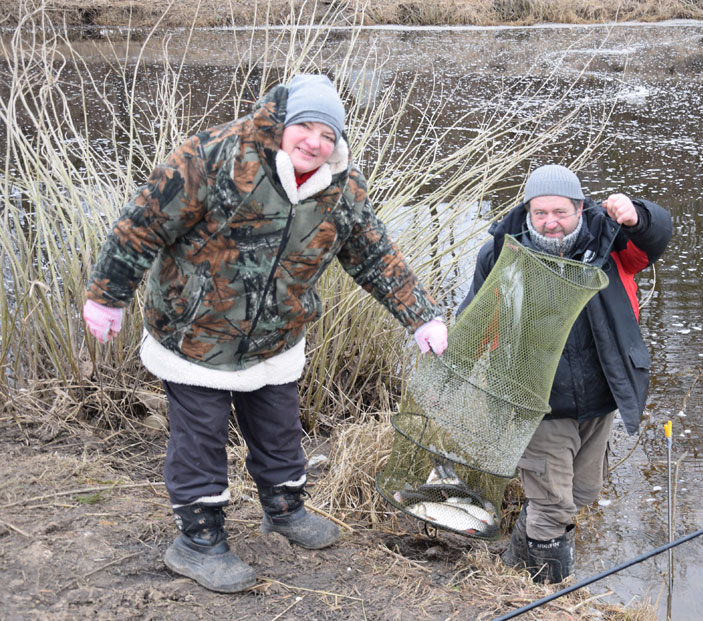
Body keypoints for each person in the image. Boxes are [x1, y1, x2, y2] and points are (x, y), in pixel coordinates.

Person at [82, 74, 448, 593]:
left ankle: (284, 511)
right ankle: (198, 540)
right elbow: (142, 223)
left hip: (276, 338)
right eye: (305, 128)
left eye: (328, 134)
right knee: (200, 439)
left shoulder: (342, 188)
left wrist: (421, 316)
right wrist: (106, 295)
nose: (314, 143)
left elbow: (374, 255)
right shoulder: (215, 157)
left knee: (279, 430)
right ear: (282, 125)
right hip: (195, 335)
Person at [459, 164, 671, 583]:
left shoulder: (610, 243)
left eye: (561, 212)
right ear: (528, 211)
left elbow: (656, 237)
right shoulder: (502, 254)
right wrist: (451, 363)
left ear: (580, 207)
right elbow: (476, 322)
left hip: (600, 396)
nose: (550, 222)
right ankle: (546, 594)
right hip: (536, 401)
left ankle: (517, 558)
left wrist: (637, 214)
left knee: (582, 493)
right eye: (541, 213)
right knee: (554, 506)